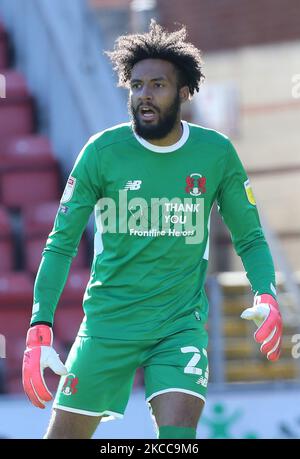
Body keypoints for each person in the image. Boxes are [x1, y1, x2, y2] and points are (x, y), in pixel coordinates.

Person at [22, 20, 282, 439]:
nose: (144, 95)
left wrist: (265, 290)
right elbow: (61, 244)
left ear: (183, 93)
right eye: (136, 85)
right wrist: (40, 326)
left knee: (177, 436)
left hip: (179, 324)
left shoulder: (216, 154)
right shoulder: (101, 153)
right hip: (108, 325)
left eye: (157, 85)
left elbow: (249, 236)